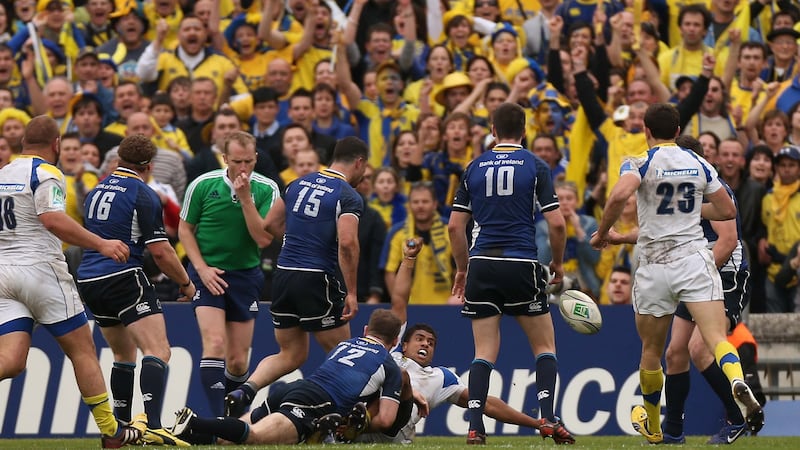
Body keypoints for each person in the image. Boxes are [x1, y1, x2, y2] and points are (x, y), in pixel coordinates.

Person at [589, 103, 764, 444]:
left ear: (646, 131)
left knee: (652, 351)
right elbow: (727, 209)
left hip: (655, 267)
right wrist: (690, 209)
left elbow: (620, 194)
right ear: (679, 128)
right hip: (694, 261)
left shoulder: (639, 161)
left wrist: (602, 232)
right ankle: (736, 380)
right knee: (715, 339)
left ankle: (654, 425)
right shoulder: (699, 163)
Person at [0, 115, 140, 448]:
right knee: (83, 351)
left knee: (11, 361)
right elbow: (53, 220)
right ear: (56, 144)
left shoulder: (3, 174)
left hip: (3, 274)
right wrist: (102, 243)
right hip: (41, 272)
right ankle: (111, 431)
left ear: (22, 144)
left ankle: (111, 431)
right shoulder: (46, 173)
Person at [448, 102, 574, 445]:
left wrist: (462, 268)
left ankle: (475, 425)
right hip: (521, 263)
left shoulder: (473, 166)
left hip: (482, 264)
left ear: (492, 129)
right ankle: (547, 418)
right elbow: (557, 224)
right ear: (524, 130)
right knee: (544, 345)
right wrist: (559, 264)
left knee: (484, 351)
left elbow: (455, 227)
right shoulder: (535, 165)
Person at [224, 137, 367, 418]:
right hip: (317, 278)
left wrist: (298, 238)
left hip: (284, 275)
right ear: (359, 163)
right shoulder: (348, 195)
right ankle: (336, 418)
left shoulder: (298, 183)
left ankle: (246, 390)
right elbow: (348, 243)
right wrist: (351, 291)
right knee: (344, 355)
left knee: (291, 353)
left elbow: (270, 225)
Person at [359, 238, 546, 444]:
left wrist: (538, 424)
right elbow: (399, 301)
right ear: (403, 344)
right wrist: (408, 260)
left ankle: (354, 423)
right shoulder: (391, 354)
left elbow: (487, 404)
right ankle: (345, 423)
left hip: (392, 438)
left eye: (431, 343)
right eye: (419, 339)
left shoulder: (441, 378)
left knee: (397, 381)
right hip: (363, 426)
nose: (425, 344)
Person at [77, 134, 197, 446]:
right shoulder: (143, 194)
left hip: (89, 280)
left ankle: (121, 429)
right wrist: (185, 282)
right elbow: (161, 252)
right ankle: (154, 425)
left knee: (122, 354)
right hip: (122, 276)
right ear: (149, 166)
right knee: (159, 350)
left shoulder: (95, 191)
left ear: (118, 159)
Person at [169, 309, 404, 445]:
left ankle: (172, 434)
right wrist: (354, 426)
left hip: (296, 389)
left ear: (365, 330)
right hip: (316, 402)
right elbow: (385, 420)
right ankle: (194, 421)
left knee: (227, 439)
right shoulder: (389, 365)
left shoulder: (345, 345)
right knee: (255, 437)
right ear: (395, 342)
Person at [661, 135, 756, 444]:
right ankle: (673, 431)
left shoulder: (715, 190)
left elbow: (727, 241)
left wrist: (694, 274)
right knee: (676, 352)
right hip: (698, 273)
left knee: (700, 348)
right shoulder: (683, 193)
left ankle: (737, 416)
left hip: (725, 275)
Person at [179, 131, 281, 419]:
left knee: (237, 361)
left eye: (249, 161)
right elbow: (185, 229)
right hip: (209, 273)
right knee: (215, 344)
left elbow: (262, 239)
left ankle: (233, 419)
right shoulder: (203, 184)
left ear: (256, 158)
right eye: (237, 161)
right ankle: (217, 423)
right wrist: (200, 268)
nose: (243, 168)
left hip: (245, 276)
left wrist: (246, 198)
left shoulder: (266, 189)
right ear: (225, 159)